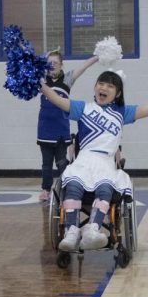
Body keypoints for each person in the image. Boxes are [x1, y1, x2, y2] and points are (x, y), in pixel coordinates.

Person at [41, 71, 148, 251]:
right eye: (101, 83)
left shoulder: (123, 112)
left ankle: (92, 229)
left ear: (117, 94)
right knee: (73, 186)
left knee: (105, 188)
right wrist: (41, 85)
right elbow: (57, 99)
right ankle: (71, 231)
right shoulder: (83, 108)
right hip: (84, 159)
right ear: (95, 87)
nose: (104, 88)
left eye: (110, 86)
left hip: (106, 161)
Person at [36, 51, 98, 202]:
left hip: (61, 130)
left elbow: (83, 67)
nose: (52, 66)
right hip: (44, 129)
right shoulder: (41, 79)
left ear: (61, 65)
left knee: (62, 162)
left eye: (55, 63)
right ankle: (46, 190)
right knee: (46, 164)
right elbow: (26, 63)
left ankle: (68, 187)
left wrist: (97, 57)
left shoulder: (67, 79)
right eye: (49, 63)